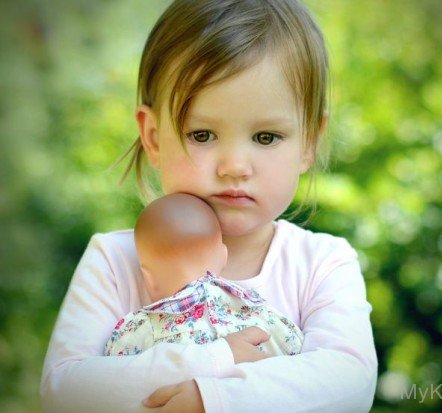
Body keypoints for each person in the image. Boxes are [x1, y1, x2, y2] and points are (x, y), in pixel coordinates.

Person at [40, 0, 378, 412]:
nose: (234, 166)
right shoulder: (115, 261)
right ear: (153, 137)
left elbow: (348, 381)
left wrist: (213, 398)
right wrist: (215, 358)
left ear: (309, 141)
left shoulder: (321, 263)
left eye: (267, 137)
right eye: (202, 135)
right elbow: (65, 392)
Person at [104, 192, 303, 357]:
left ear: (148, 277)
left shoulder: (141, 328)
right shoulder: (257, 311)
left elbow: (112, 375)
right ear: (223, 256)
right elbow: (294, 346)